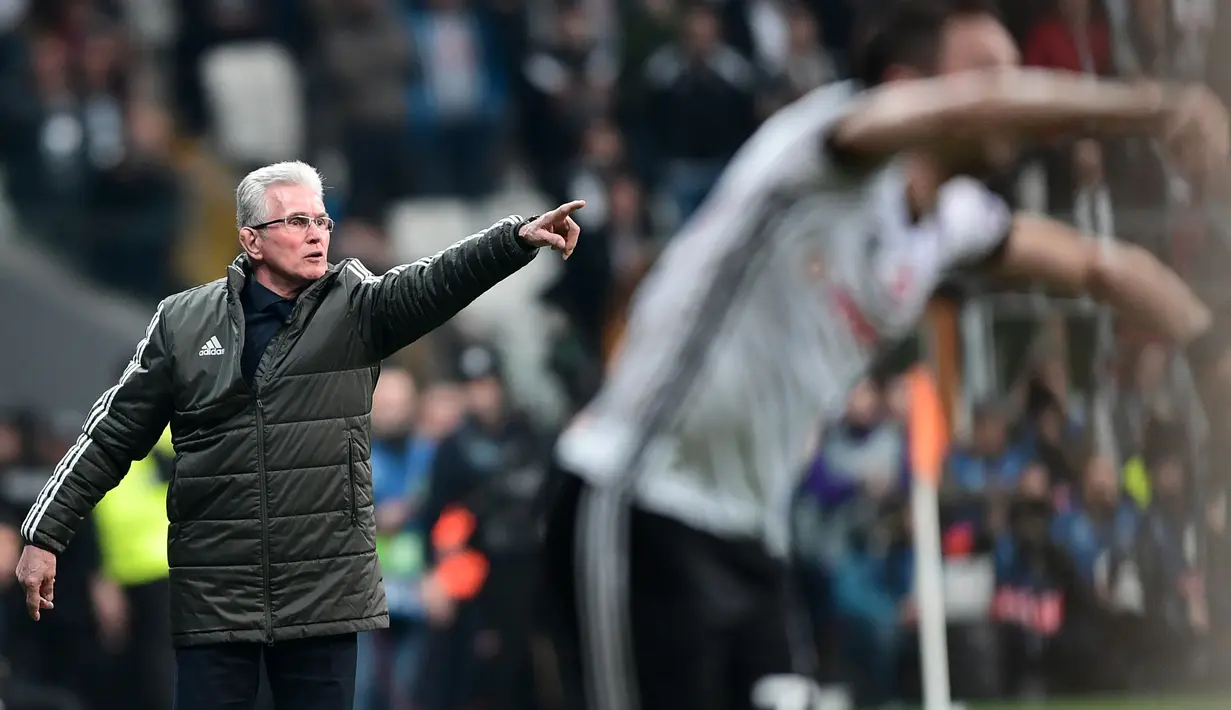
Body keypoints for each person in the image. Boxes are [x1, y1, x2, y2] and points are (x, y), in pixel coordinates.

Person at [540, 0, 1231, 708]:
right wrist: (1153, 105)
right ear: (907, 90)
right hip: (640, 504)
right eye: (988, 75)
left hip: (748, 536)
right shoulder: (828, 142)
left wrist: (1208, 349)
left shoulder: (950, 221)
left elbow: (1097, 267)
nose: (1017, 93)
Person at [13, 160, 584, 710]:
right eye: (297, 221)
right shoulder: (183, 322)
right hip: (218, 589)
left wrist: (514, 239)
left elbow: (437, 280)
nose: (317, 235)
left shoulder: (358, 307)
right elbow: (110, 434)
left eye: (322, 221)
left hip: (324, 590)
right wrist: (44, 535)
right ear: (251, 240)